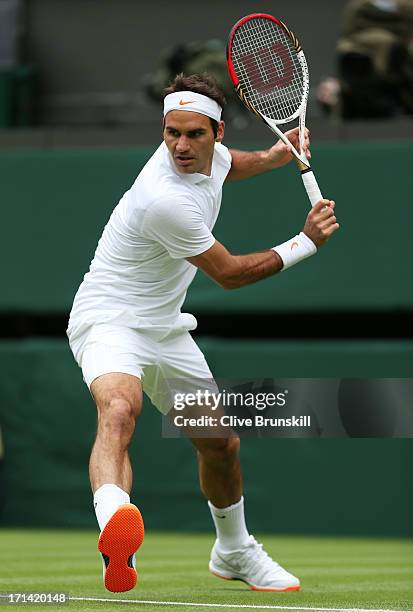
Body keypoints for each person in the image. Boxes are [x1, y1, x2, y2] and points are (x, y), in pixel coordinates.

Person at [67, 73, 339, 594]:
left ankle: (234, 551)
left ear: (216, 131)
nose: (180, 146)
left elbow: (231, 164)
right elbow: (231, 274)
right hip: (109, 320)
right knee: (120, 410)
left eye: (194, 134)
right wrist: (306, 242)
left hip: (166, 329)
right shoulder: (163, 198)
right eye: (171, 133)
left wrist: (275, 157)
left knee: (220, 444)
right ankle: (113, 526)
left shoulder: (211, 156)